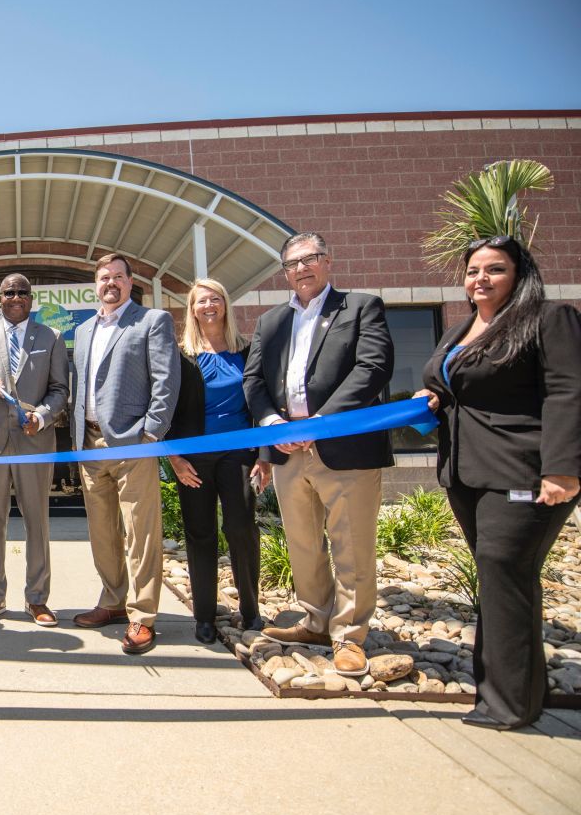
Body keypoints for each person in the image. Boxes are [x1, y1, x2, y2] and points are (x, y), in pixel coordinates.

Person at [416, 236, 581, 730]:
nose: (480, 279)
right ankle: (510, 695)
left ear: (519, 274)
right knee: (501, 580)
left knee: (504, 570)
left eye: (495, 269)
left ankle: (509, 706)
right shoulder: (463, 328)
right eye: (473, 271)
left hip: (524, 472)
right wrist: (433, 395)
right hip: (467, 473)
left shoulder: (549, 319)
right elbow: (455, 389)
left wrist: (562, 468)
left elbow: (567, 391)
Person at [243, 232, 394, 677]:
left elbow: (373, 368)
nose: (302, 269)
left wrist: (320, 422)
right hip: (290, 454)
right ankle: (316, 619)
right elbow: (253, 383)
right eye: (292, 264)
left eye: (310, 259)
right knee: (303, 543)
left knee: (352, 544)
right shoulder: (270, 323)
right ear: (285, 272)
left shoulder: (361, 307)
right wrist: (273, 424)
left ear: (327, 261)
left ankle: (349, 636)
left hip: (345, 449)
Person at [70, 254, 179, 655]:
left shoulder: (152, 322)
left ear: (131, 283)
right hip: (90, 445)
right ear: (95, 285)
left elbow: (167, 381)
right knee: (102, 532)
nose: (110, 283)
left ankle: (142, 615)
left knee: (140, 532)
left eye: (118, 277)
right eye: (104, 278)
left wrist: (151, 433)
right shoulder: (83, 331)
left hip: (133, 443)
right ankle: (113, 600)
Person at [0, 272, 68, 627]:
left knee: (37, 522)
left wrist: (44, 416)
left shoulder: (51, 337)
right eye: (9, 292)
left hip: (34, 442)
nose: (16, 297)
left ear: (31, 299)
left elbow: (60, 391)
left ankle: (37, 599)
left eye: (22, 292)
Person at [166, 278, 269, 645]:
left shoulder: (247, 350)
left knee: (241, 528)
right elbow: (166, 411)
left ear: (225, 305)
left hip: (239, 455)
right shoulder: (180, 356)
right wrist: (174, 459)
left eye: (215, 299)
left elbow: (262, 402)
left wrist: (265, 457)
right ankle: (205, 616)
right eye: (201, 301)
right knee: (200, 534)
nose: (208, 306)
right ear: (191, 310)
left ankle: (251, 610)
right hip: (193, 459)